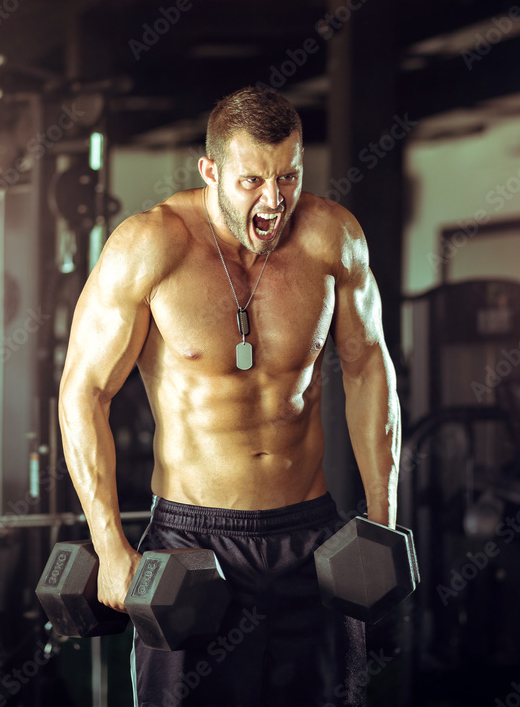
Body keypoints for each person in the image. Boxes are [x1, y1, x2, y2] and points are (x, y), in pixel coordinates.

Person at [59, 86, 401, 707]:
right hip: (194, 542)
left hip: (311, 535)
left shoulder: (333, 239)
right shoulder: (150, 246)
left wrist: (383, 518)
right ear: (211, 171)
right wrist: (109, 543)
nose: (274, 201)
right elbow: (83, 390)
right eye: (251, 182)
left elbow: (368, 369)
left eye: (289, 177)